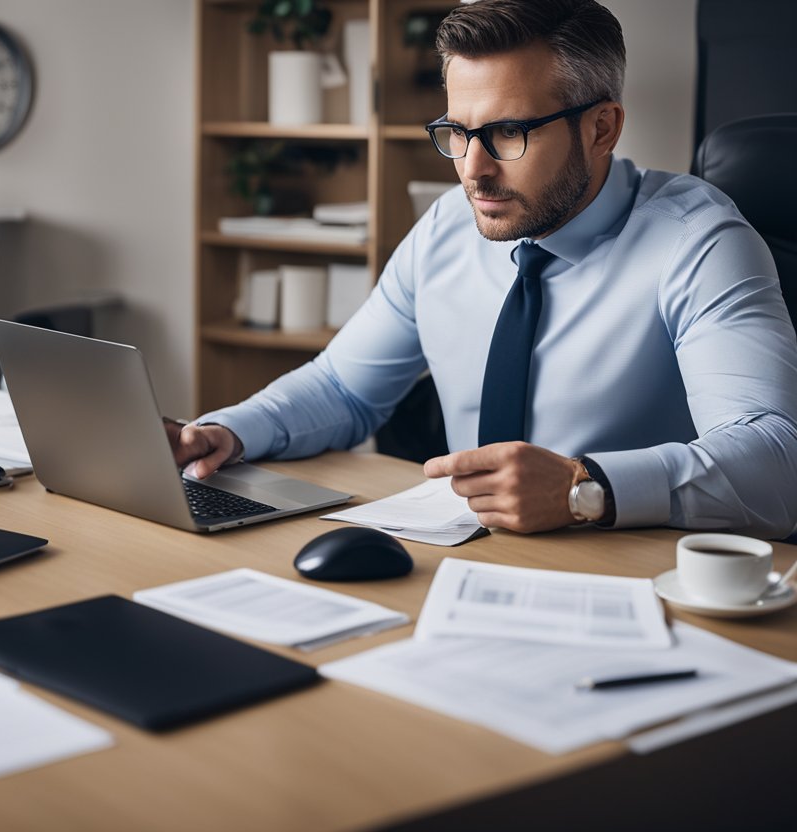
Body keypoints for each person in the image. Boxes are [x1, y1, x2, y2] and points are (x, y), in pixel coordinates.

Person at [169, 0, 797, 539]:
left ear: (602, 127)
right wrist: (227, 431)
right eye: (457, 132)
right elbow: (343, 388)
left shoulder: (699, 240)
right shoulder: (447, 226)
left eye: (508, 132)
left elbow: (775, 463)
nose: (474, 168)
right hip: (463, 555)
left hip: (630, 569)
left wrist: (587, 488)